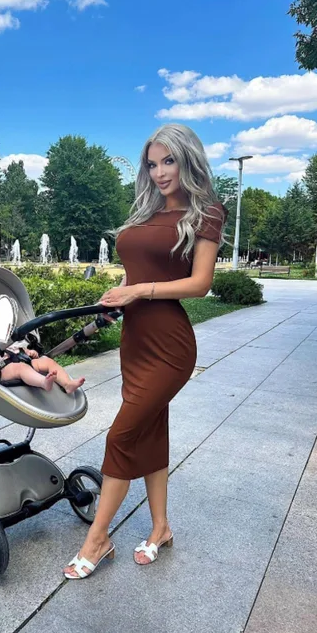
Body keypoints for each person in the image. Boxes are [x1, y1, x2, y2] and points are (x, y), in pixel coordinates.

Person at [63, 123, 227, 580]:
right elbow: (135, 269)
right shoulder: (146, 212)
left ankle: (98, 539)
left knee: (121, 435)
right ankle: (161, 528)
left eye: (168, 161)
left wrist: (140, 292)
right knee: (150, 430)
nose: (159, 172)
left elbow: (200, 283)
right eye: (152, 164)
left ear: (187, 160)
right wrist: (120, 295)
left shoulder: (206, 212)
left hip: (170, 346)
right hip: (134, 339)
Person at [0, 329, 85, 394]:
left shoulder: (7, 339)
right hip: (3, 368)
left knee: (47, 361)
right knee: (20, 368)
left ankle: (67, 384)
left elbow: (20, 348)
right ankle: (43, 382)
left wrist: (30, 352)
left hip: (22, 358)